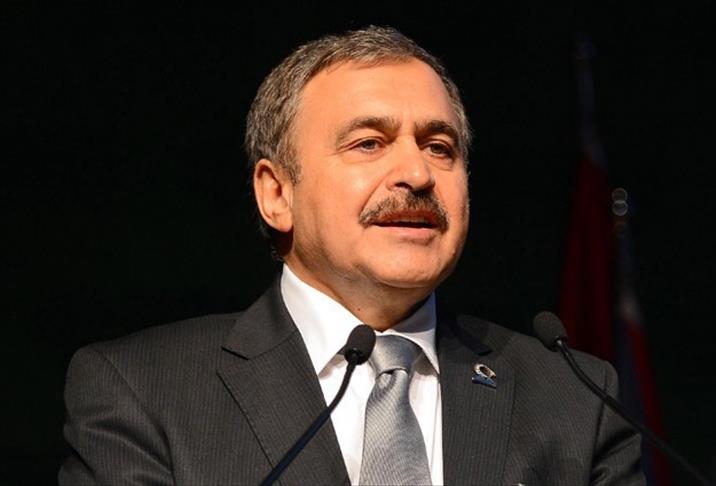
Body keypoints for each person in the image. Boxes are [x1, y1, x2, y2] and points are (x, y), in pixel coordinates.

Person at [59, 26, 645, 485]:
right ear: (276, 194)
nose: (417, 174)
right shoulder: (144, 392)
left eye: (439, 147)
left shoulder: (575, 398)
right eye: (368, 143)